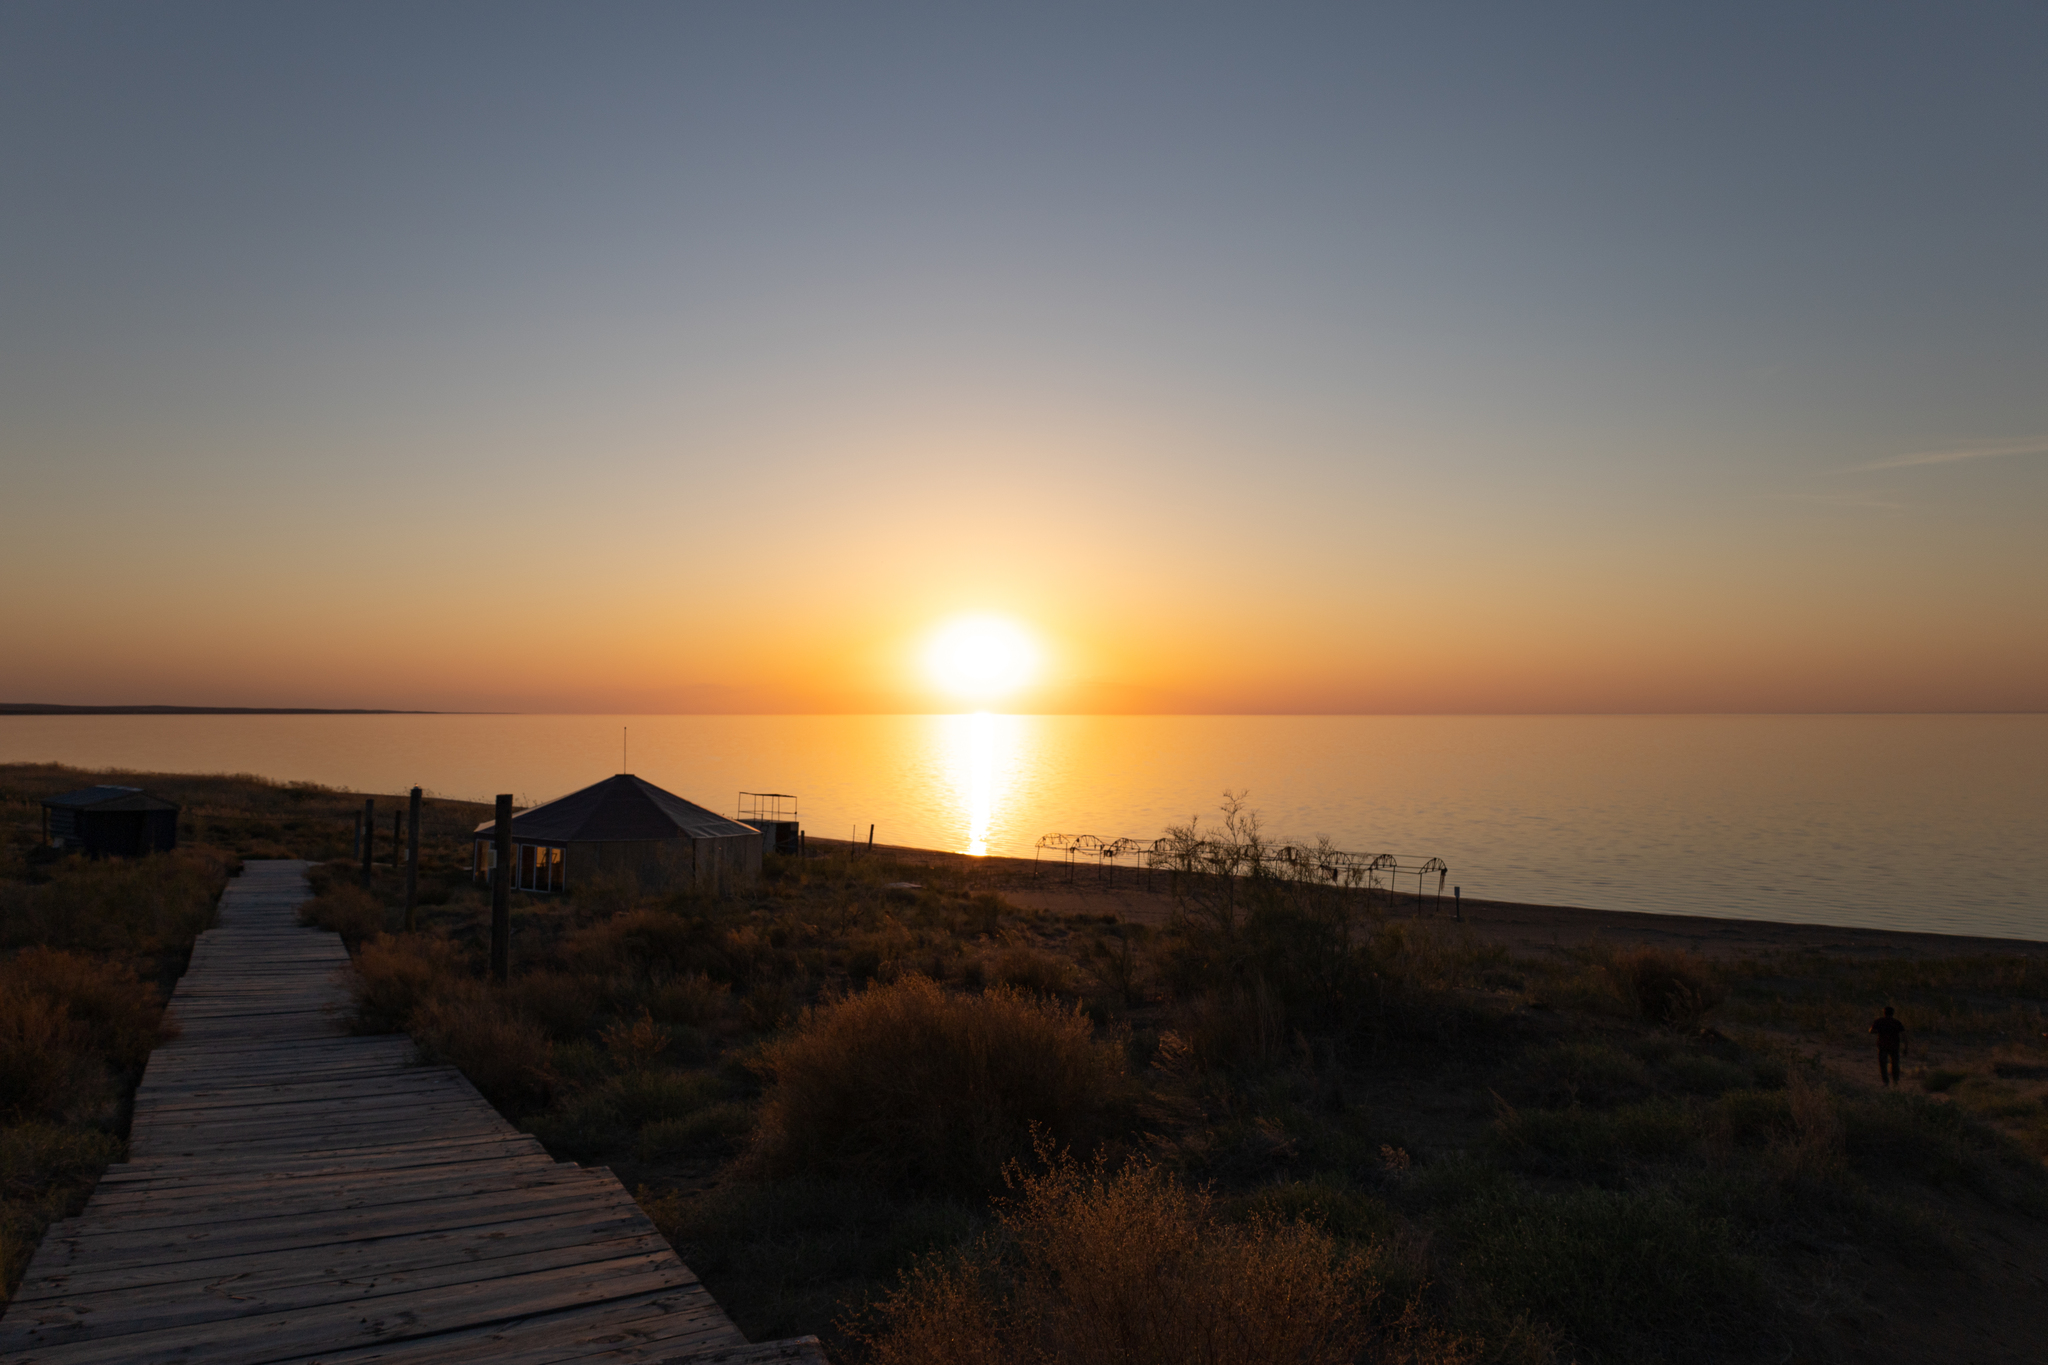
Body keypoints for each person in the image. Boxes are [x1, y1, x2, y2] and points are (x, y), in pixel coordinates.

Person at [1870, 1005, 1906, 1086]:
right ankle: (1895, 1081)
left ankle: (1885, 1081)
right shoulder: (1896, 1022)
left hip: (1882, 1046)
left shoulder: (1879, 1021)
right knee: (1895, 1064)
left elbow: (1871, 1031)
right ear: (1893, 1013)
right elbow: (1904, 1035)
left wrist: (1880, 1031)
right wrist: (1905, 1047)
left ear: (1884, 1013)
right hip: (1894, 1046)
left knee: (1883, 1064)